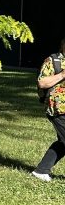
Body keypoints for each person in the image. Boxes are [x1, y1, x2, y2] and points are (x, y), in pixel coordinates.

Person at [33, 38, 65, 181]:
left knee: (63, 142)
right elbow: (42, 83)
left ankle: (41, 170)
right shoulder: (53, 61)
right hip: (58, 108)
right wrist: (63, 75)